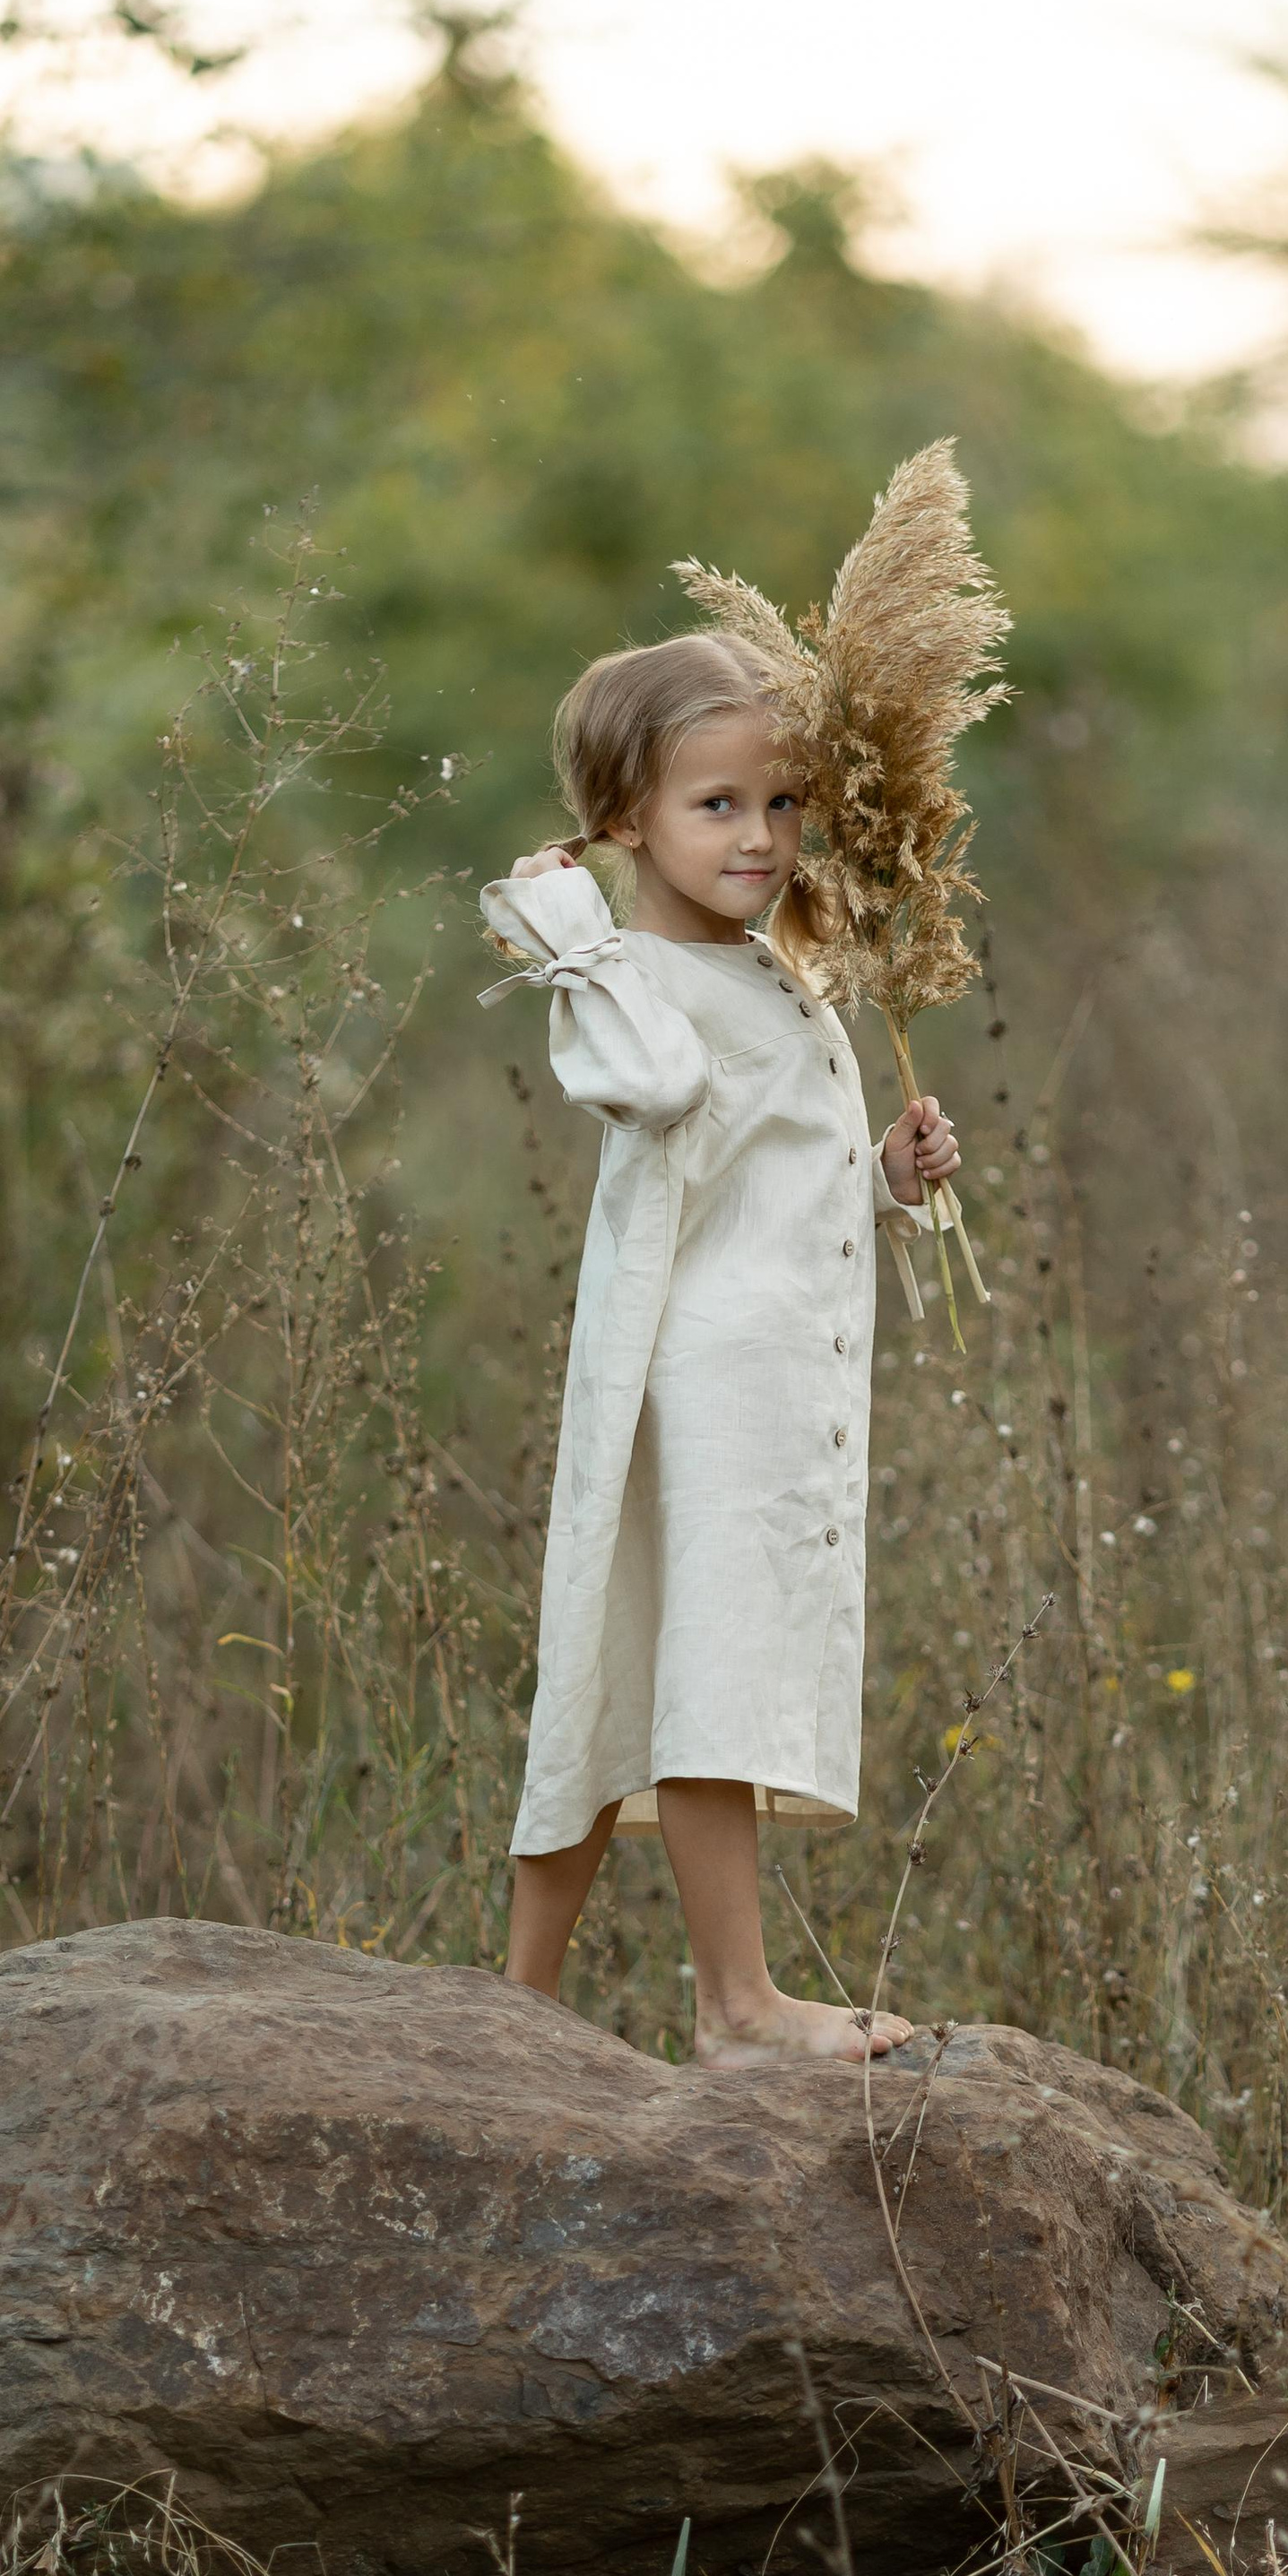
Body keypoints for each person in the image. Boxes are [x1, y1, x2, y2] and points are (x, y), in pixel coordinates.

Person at [479, 629, 962, 2065]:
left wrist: (883, 1175)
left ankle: (516, 2015)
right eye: (716, 806)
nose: (761, 839)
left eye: (783, 804)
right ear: (625, 820)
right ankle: (737, 2008)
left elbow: (760, 1176)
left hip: (767, 1365)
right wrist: (567, 929)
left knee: (646, 1662)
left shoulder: (767, 970)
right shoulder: (628, 985)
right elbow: (661, 1086)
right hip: (702, 1378)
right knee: (702, 1673)